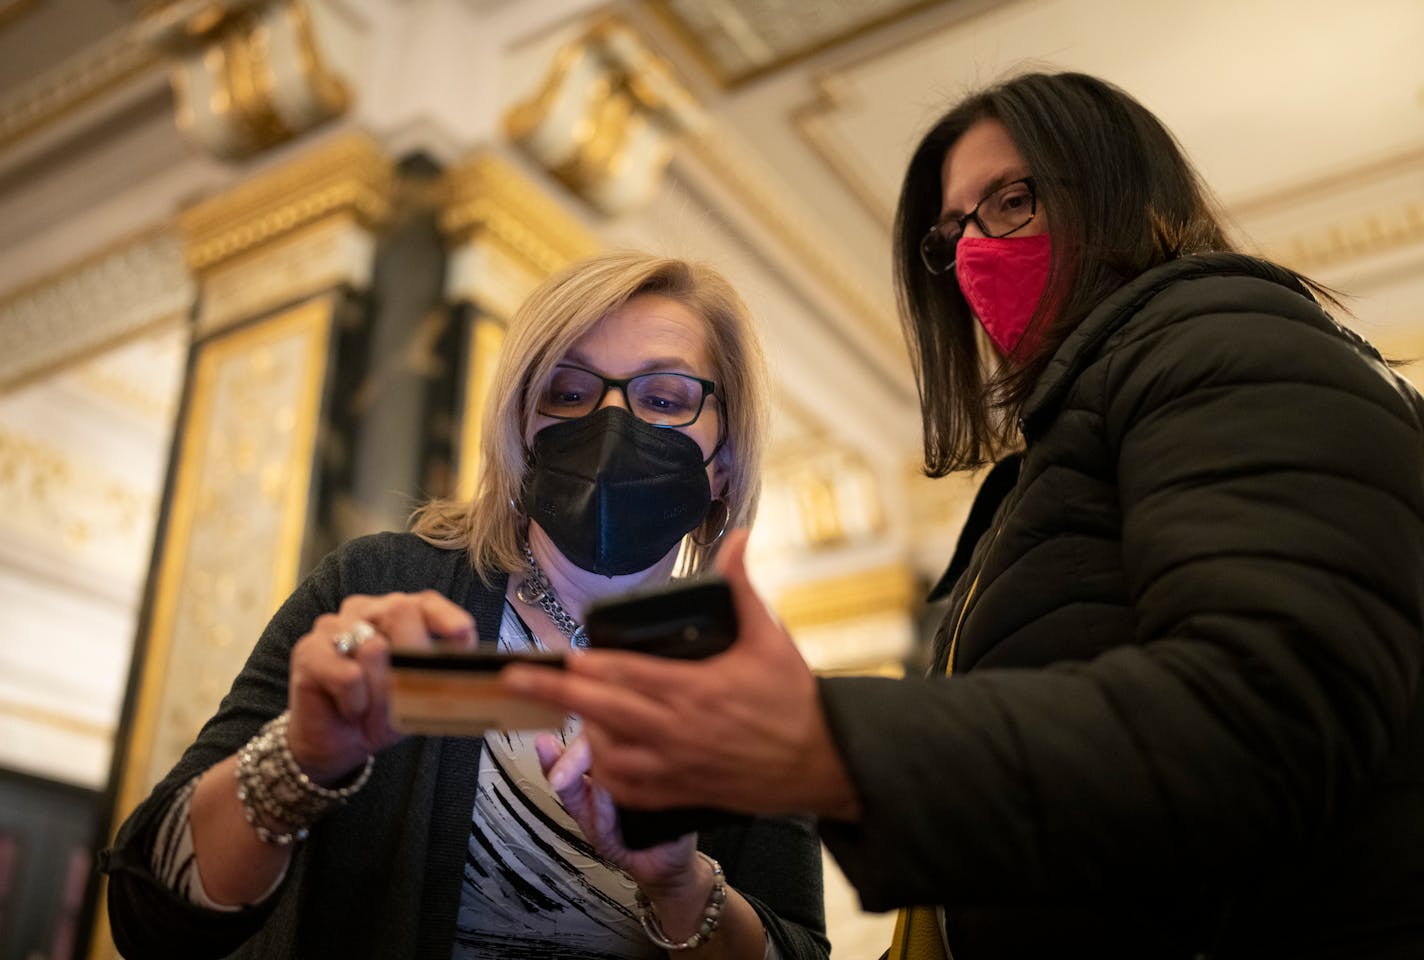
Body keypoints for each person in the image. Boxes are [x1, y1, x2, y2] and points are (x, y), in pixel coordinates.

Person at [503, 72, 1424, 959]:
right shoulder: (1076, 440)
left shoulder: (1229, 344)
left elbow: (1273, 713)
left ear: (1120, 188)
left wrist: (825, 744)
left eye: (1012, 201)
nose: (976, 252)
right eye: (952, 233)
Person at [100, 251, 830, 960]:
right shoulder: (383, 587)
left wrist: (679, 882)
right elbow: (148, 914)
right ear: (521, 430)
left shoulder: (754, 683)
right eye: (569, 394)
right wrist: (300, 763)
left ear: (726, 458)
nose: (611, 423)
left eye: (664, 400)